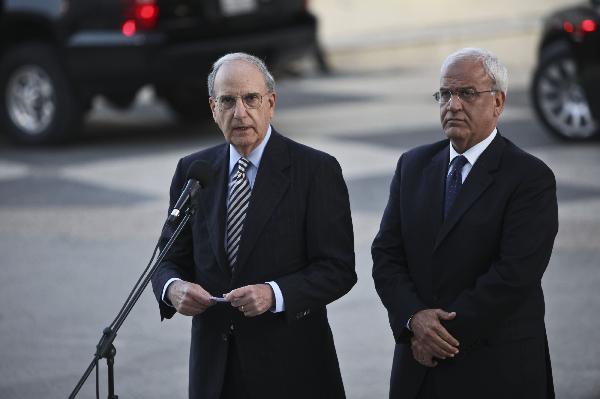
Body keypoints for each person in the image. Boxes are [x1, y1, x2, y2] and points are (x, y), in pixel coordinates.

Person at [151, 52, 356, 399]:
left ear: (271, 103)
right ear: (213, 108)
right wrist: (172, 288)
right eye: (228, 101)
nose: (240, 112)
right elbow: (167, 257)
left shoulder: (315, 171)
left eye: (251, 99)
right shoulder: (194, 171)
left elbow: (337, 269)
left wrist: (274, 294)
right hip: (215, 370)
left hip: (292, 369)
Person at [372, 48, 558, 399]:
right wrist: (414, 319)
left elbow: (514, 274)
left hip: (496, 365)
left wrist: (436, 334)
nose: (453, 104)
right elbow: (386, 254)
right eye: (445, 93)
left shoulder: (529, 177)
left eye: (467, 93)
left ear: (498, 102)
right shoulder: (413, 166)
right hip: (419, 368)